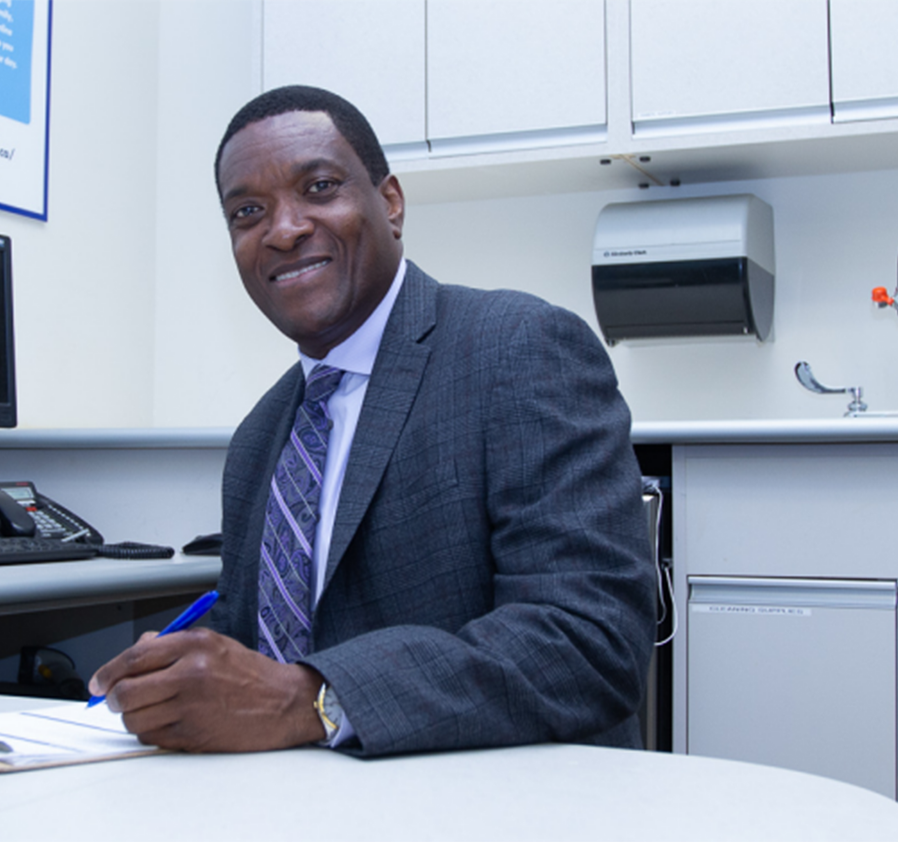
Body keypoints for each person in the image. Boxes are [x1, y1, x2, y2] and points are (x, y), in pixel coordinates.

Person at [90, 86, 655, 757]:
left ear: (389, 202)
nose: (284, 228)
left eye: (320, 187)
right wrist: (187, 681)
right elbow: (256, 670)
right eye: (248, 212)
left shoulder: (519, 348)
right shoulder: (257, 442)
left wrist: (313, 700)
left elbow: (588, 641)